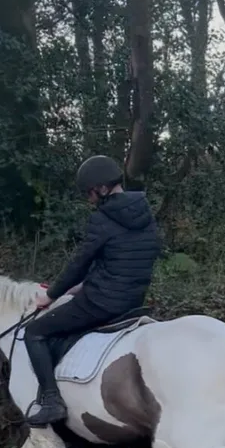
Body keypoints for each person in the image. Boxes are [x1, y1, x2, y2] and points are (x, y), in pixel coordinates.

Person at [23, 155, 161, 426]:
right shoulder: (145, 212)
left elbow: (79, 263)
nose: (89, 199)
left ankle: (51, 401)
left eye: (90, 192)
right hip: (133, 301)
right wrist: (81, 286)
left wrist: (50, 296)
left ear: (102, 188)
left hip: (102, 303)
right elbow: (123, 260)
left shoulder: (103, 218)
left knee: (35, 332)